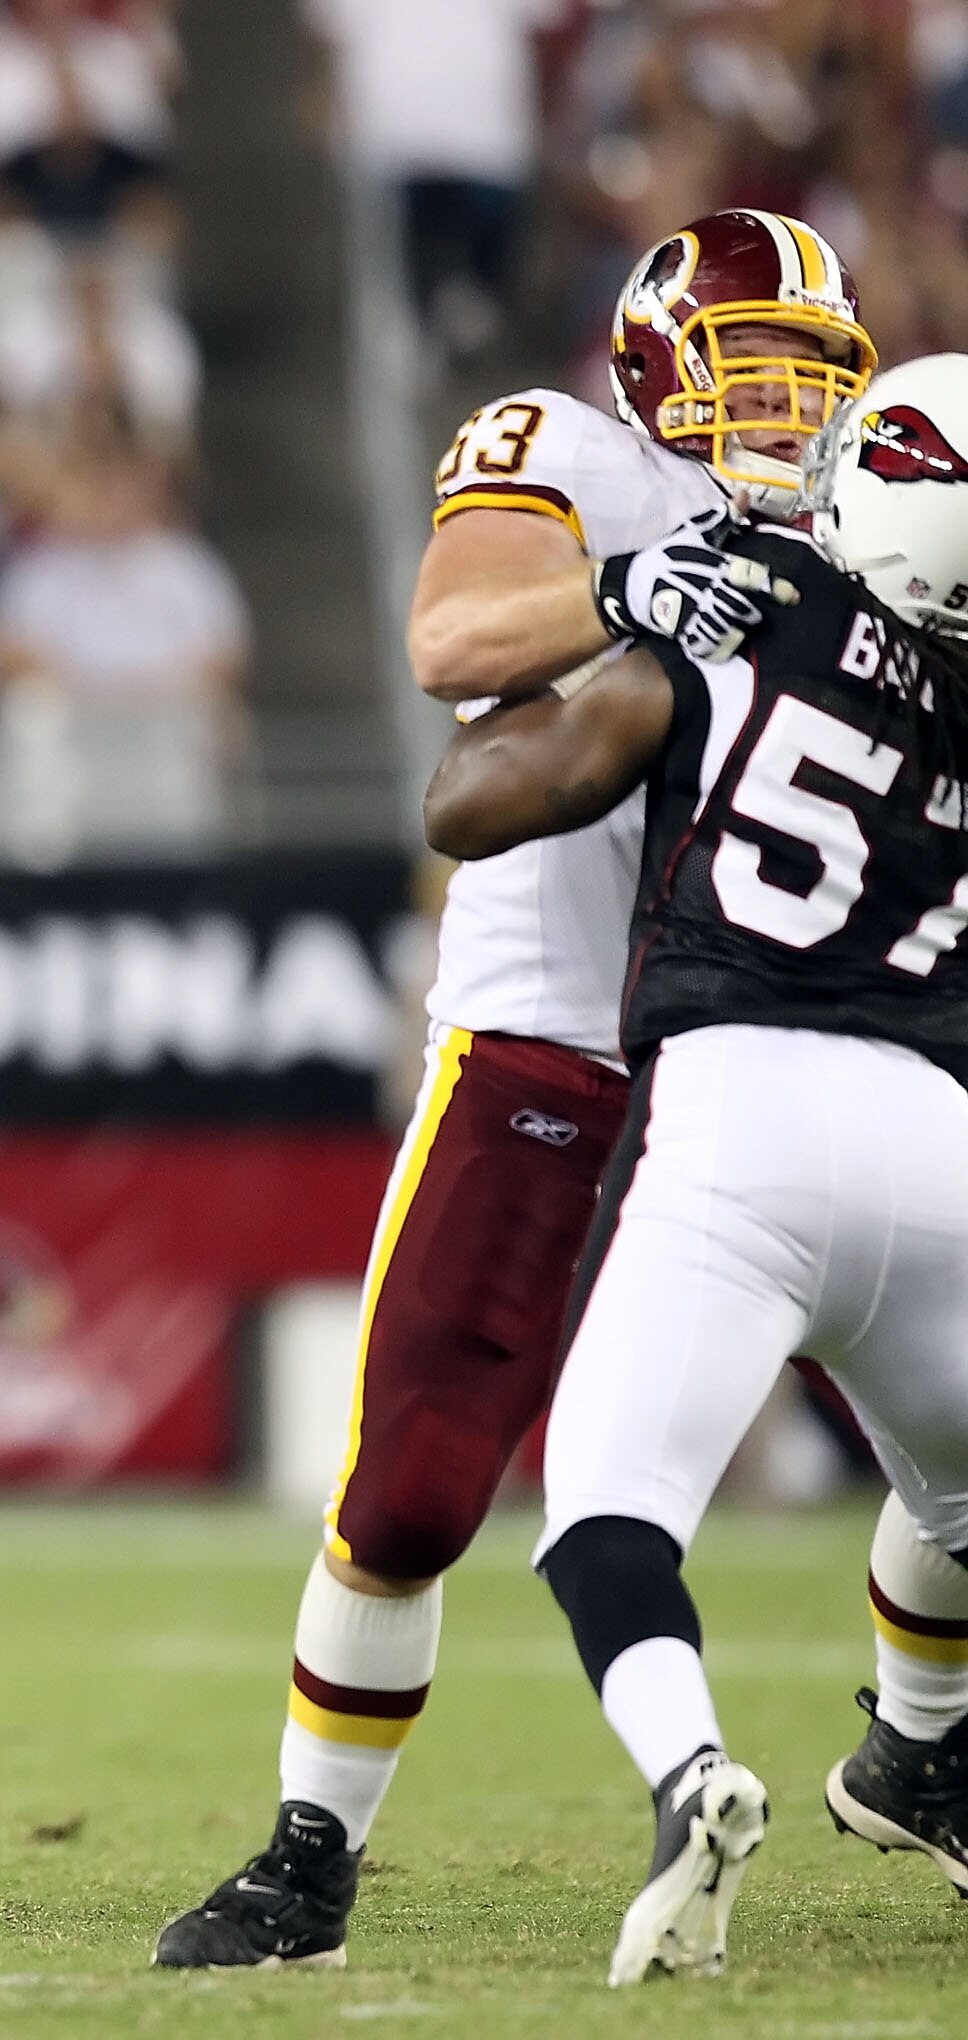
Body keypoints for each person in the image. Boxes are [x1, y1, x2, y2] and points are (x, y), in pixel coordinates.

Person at [157, 209, 885, 1971]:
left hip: (805, 1052)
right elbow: (455, 640)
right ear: (654, 371)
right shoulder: (569, 459)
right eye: (751, 372)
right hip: (558, 1034)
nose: (783, 414)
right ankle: (311, 1854)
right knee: (413, 1486)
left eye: (811, 379)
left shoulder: (889, 526)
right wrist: (628, 589)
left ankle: (920, 1759)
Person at [415, 354, 968, 1981]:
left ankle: (690, 1772)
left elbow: (482, 801)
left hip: (737, 1112)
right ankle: (916, 1754)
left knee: (606, 1513)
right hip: (942, 1138)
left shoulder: (761, 603)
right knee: (948, 1503)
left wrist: (634, 641)